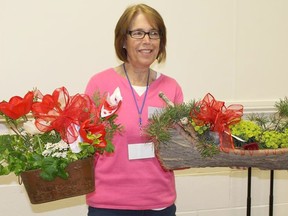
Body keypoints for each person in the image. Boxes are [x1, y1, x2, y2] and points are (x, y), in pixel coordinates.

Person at [85, 3, 183, 216]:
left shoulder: (171, 88)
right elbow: (86, 145)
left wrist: (227, 155)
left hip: (159, 204)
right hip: (107, 206)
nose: (146, 40)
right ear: (123, 40)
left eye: (153, 33)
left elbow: (181, 148)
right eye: (138, 33)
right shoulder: (99, 85)